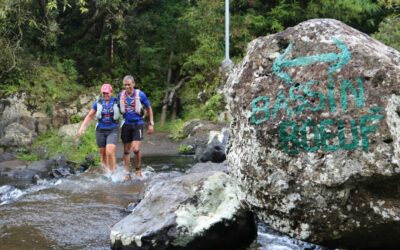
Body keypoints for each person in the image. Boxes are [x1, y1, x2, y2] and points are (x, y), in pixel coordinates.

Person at [77, 83, 119, 173]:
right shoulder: (98, 103)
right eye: (104, 93)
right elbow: (90, 115)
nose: (105, 95)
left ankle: (114, 173)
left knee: (110, 152)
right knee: (103, 154)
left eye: (107, 93)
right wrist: (82, 127)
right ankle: (106, 173)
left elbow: (125, 109)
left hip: (112, 130)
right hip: (100, 131)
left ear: (111, 92)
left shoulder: (116, 101)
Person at [119, 75, 154, 179]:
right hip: (126, 124)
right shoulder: (120, 95)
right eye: (125, 85)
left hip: (137, 124)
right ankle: (127, 173)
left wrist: (151, 123)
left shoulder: (140, 95)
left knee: (135, 149)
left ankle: (138, 170)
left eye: (129, 85)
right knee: (126, 150)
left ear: (133, 84)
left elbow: (149, 108)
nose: (127, 87)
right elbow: (116, 108)